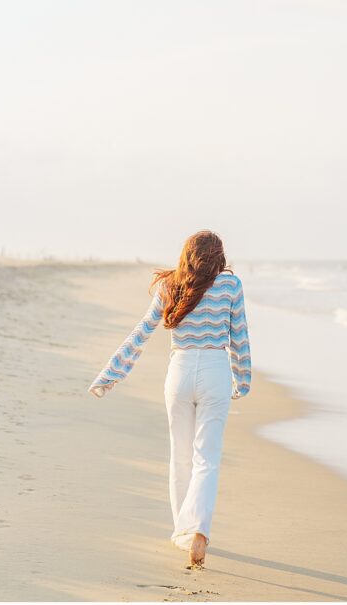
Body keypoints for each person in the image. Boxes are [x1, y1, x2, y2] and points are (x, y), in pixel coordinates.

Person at [87, 230, 252, 569]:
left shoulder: (171, 285)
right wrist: (242, 379)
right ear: (218, 256)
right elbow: (240, 337)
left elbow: (142, 330)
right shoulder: (230, 286)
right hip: (215, 370)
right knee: (207, 458)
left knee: (181, 455)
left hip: (180, 371)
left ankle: (183, 533)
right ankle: (199, 531)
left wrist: (110, 374)